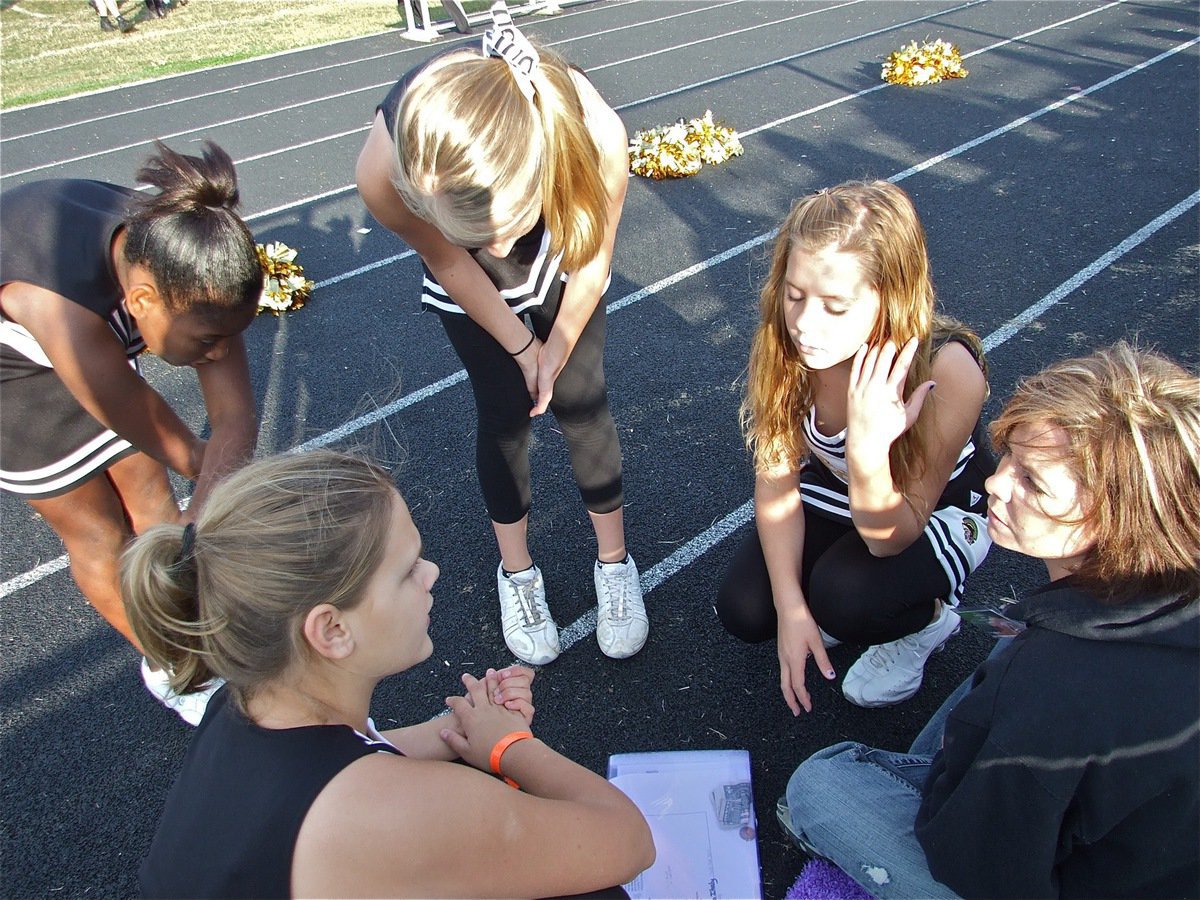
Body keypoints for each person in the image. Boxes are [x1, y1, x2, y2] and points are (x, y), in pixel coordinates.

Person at [123, 450, 656, 898]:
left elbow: (347, 759)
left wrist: (459, 728)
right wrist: (509, 746)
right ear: (332, 629)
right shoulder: (401, 814)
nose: (432, 574)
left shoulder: (240, 705)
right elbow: (630, 842)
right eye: (407, 571)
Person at [780, 343, 1200, 898]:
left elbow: (981, 869)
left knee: (820, 784)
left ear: (1121, 518)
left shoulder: (1047, 682)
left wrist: (963, 793)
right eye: (1009, 457)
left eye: (1033, 482)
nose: (996, 483)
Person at [356, 0, 647, 666]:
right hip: (470, 285)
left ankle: (615, 563)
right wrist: (520, 348)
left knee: (582, 400)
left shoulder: (595, 134)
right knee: (504, 415)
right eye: (475, 234)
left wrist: (556, 349)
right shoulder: (384, 174)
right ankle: (517, 575)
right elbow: (450, 261)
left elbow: (594, 260)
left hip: (562, 241)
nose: (496, 247)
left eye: (506, 226)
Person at [0, 141, 262, 724]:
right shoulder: (65, 309)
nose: (219, 353)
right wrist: (209, 529)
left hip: (92, 324)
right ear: (141, 302)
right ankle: (176, 667)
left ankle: (195, 625)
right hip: (13, 373)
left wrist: (198, 527)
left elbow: (234, 422)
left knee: (151, 496)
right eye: (207, 342)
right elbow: (191, 454)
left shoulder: (193, 264)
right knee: (95, 530)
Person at [715, 180, 992, 712]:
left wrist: (867, 451)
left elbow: (893, 537)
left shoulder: (949, 371)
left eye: (835, 306)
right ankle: (829, 599)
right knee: (746, 609)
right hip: (841, 490)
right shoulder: (787, 345)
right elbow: (776, 481)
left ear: (891, 296)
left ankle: (929, 624)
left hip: (929, 510)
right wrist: (792, 608)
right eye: (794, 295)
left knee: (845, 597)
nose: (804, 324)